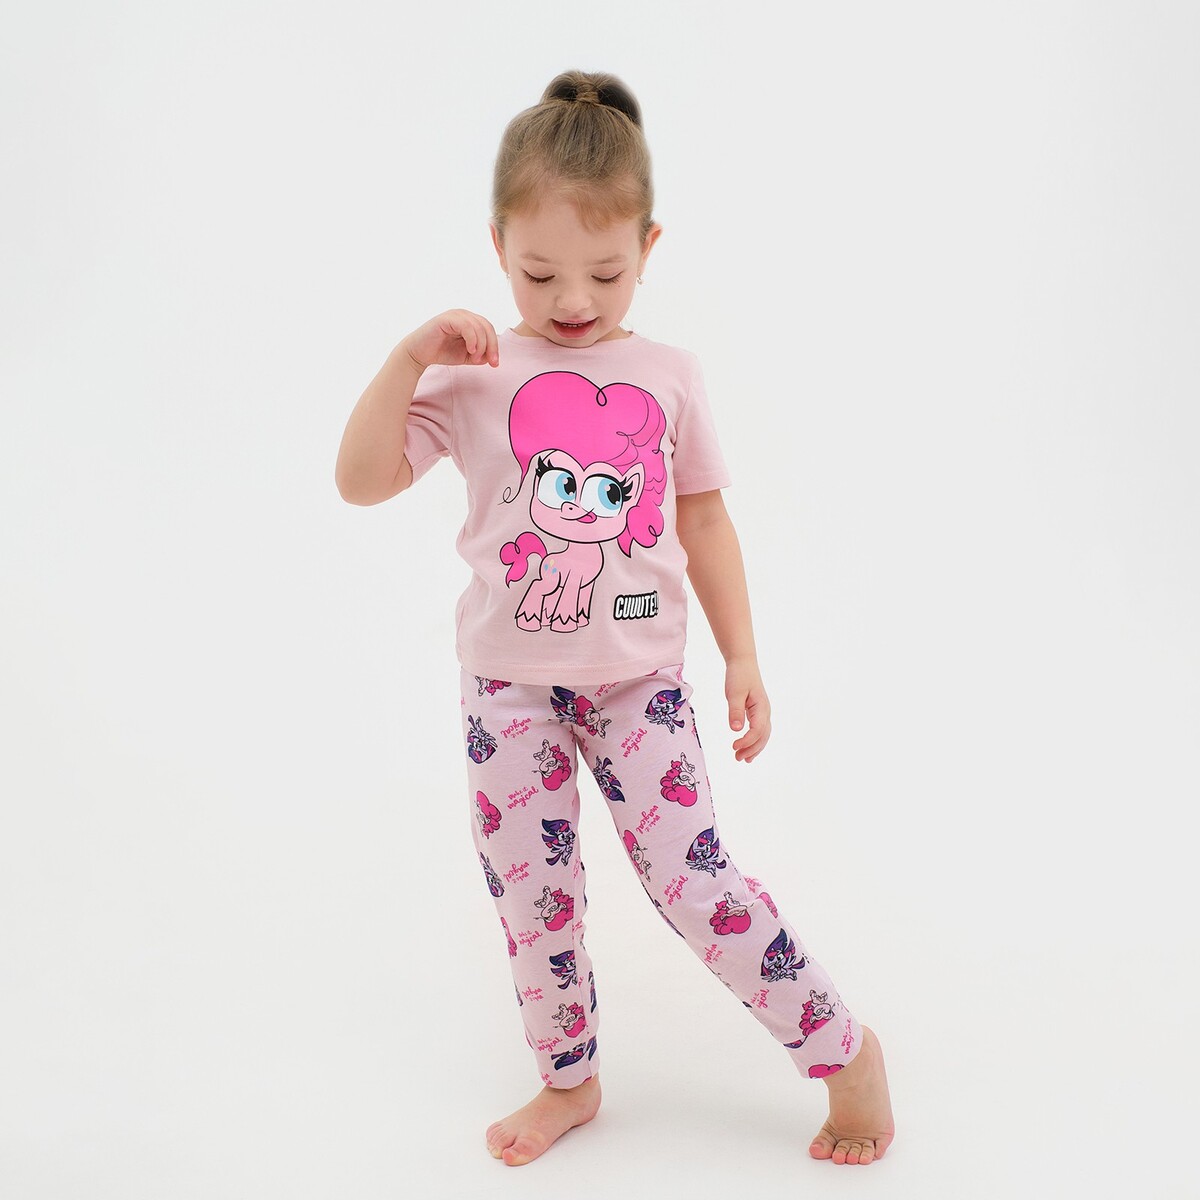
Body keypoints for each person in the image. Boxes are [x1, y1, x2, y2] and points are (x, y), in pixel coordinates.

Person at [335, 69, 894, 1169]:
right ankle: (569, 1079)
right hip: (508, 693)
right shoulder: (474, 373)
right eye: (540, 271)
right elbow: (359, 482)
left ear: (649, 243)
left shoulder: (669, 375)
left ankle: (843, 1050)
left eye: (605, 270)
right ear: (497, 244)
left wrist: (742, 656)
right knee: (532, 898)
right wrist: (407, 360)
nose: (573, 298)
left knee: (694, 881)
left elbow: (706, 522)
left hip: (641, 687)